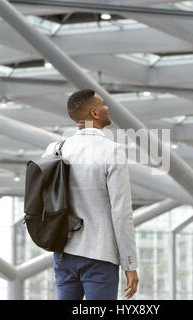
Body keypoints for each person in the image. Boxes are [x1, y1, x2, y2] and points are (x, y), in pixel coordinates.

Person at [42, 89, 139, 300]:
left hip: (63, 253)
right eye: (103, 104)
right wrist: (129, 263)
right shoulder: (112, 150)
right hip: (100, 255)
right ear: (94, 113)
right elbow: (121, 211)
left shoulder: (55, 149)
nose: (107, 108)